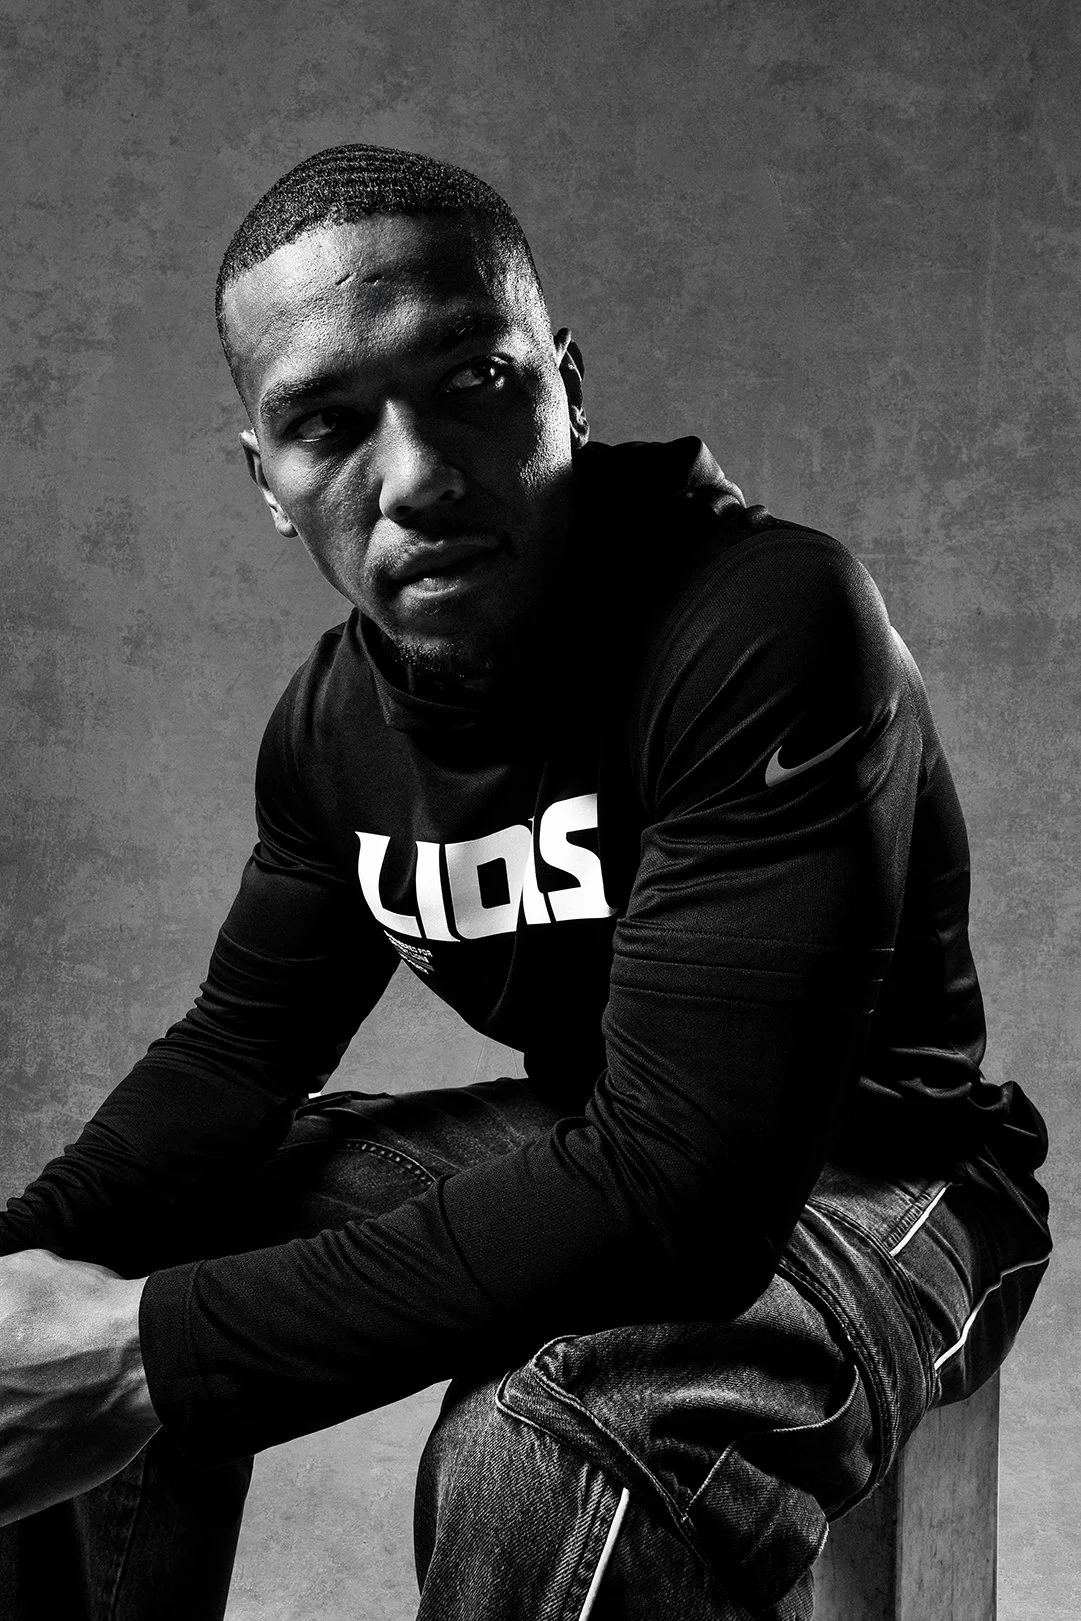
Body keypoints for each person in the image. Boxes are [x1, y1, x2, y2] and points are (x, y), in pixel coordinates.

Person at [0, 144, 1052, 1620]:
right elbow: (237, 1054)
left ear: (568, 385)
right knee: (89, 1271)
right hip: (606, 1134)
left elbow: (689, 1195)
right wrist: (24, 1264)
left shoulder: (762, 622)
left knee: (546, 1440)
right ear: (267, 480)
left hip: (887, 1176)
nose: (417, 477)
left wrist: (152, 1349)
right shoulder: (332, 725)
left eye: (474, 383)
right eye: (326, 424)